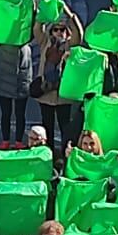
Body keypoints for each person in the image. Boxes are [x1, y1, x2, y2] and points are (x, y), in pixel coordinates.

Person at [33, 12, 85, 156]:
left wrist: (70, 15)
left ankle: (64, 155)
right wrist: (43, 13)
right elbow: (37, 29)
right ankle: (48, 155)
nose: (58, 32)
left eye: (62, 29)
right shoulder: (46, 43)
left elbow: (78, 33)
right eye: (55, 29)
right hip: (46, 93)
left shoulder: (70, 46)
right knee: (47, 127)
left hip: (63, 95)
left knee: (65, 128)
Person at [0, 40, 34, 146]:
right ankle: (6, 140)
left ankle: (18, 141)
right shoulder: (3, 42)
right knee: (6, 113)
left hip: (21, 79)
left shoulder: (24, 45)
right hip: (5, 78)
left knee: (19, 114)